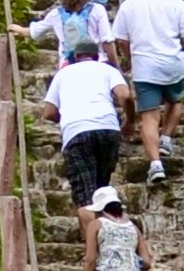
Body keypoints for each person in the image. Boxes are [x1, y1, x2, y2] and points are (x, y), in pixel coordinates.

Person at [109, 0, 184, 180]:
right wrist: (181, 46)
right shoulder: (176, 3)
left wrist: (131, 56)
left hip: (145, 66)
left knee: (149, 116)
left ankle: (156, 165)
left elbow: (120, 38)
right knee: (175, 101)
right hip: (173, 62)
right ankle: (166, 137)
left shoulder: (130, 4)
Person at [42, 28, 127, 207]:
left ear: (75, 56)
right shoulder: (108, 70)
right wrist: (132, 120)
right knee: (103, 189)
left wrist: (66, 119)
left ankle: (90, 234)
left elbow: (48, 112)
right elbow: (125, 96)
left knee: (86, 195)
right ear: (96, 56)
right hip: (108, 129)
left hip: (77, 132)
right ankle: (107, 229)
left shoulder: (62, 74)